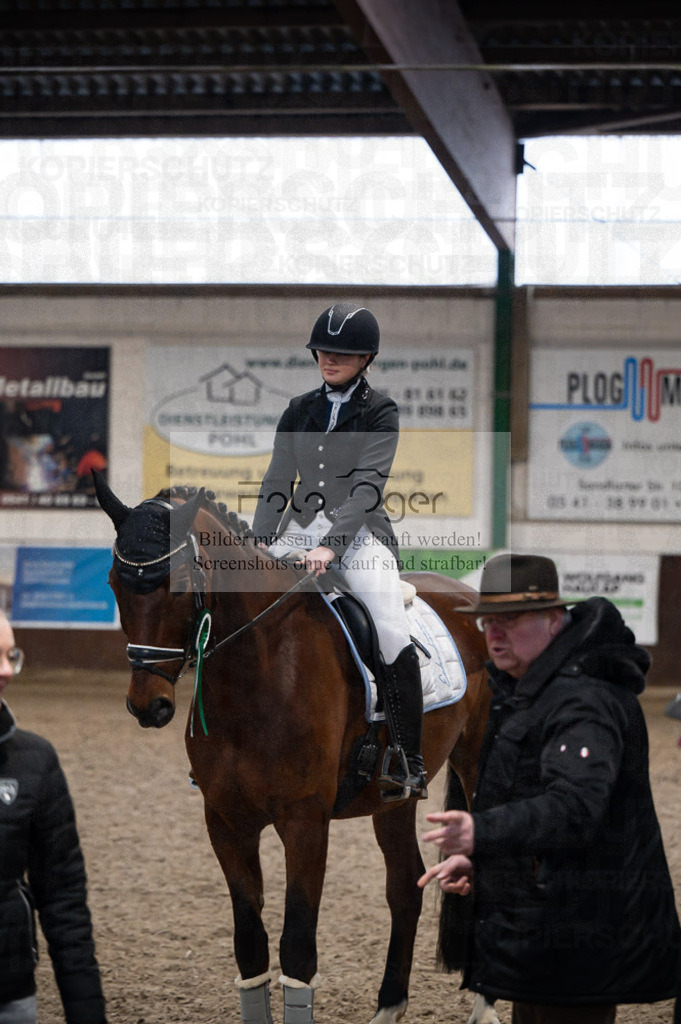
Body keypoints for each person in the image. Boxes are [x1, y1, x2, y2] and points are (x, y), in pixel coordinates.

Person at [418, 553, 681, 1024]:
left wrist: (482, 834)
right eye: (488, 622)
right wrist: (485, 862)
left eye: (511, 621)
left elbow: (575, 808)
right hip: (546, 924)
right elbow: (530, 798)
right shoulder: (531, 689)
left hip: (581, 931)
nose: (494, 635)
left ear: (554, 620)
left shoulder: (584, 700)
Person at [251, 301, 427, 799]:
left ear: (366, 358)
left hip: (359, 534)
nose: (329, 360)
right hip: (298, 527)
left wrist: (331, 546)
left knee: (390, 626)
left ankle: (408, 760)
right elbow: (277, 480)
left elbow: (368, 487)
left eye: (341, 355)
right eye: (323, 351)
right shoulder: (299, 409)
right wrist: (260, 541)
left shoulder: (379, 411)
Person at [0, 610, 107, 1024]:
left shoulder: (34, 762)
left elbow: (64, 902)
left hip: (10, 996)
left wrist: (88, 1014)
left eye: (11, 655)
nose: (6, 671)